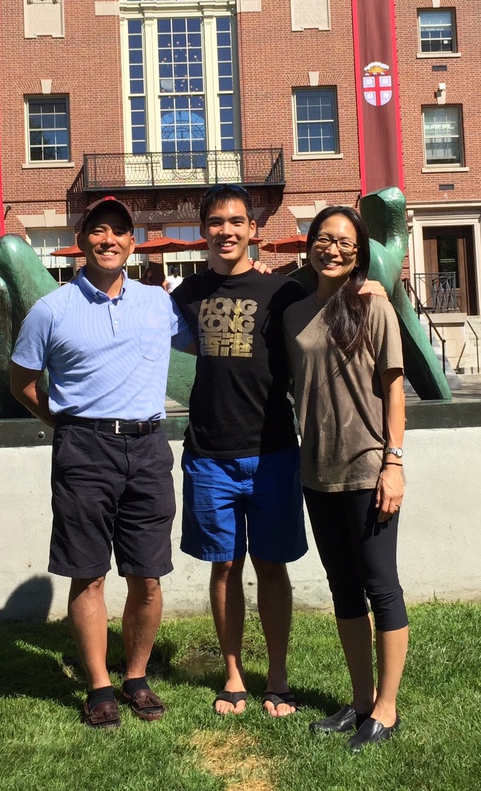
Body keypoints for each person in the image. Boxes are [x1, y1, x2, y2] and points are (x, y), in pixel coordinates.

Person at [8, 196, 189, 730]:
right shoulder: (52, 309)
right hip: (84, 449)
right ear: (82, 242)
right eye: (98, 231)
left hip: (149, 447)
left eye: (119, 232)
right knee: (88, 574)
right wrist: (64, 422)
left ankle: (135, 676)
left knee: (148, 575)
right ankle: (98, 686)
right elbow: (22, 382)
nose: (108, 239)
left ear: (132, 244)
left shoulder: (160, 304)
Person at [170, 184, 309, 717]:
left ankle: (277, 676)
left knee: (271, 566)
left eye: (236, 222)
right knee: (223, 567)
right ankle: (233, 675)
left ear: (252, 229)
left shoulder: (283, 294)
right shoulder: (185, 294)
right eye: (215, 222)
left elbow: (330, 318)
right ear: (204, 231)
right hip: (209, 453)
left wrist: (373, 292)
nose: (225, 231)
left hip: (273, 451)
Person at [283, 205, 408, 752]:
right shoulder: (295, 312)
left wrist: (394, 462)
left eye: (346, 243)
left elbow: (394, 389)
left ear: (359, 253)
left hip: (368, 465)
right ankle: (359, 699)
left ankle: (387, 706)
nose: (333, 249)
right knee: (343, 589)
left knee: (381, 587)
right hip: (317, 470)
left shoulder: (373, 306)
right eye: (324, 239)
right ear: (310, 244)